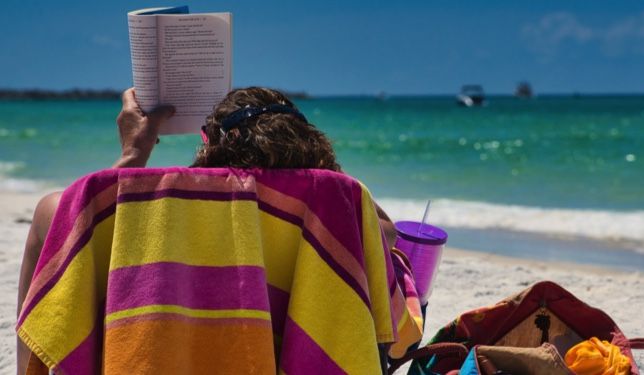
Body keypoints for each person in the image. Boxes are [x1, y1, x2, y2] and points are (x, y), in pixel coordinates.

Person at [17, 87, 405, 374]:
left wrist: (134, 154)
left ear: (209, 143)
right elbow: (386, 235)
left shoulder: (137, 203)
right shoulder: (339, 205)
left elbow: (68, 219)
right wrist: (325, 184)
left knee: (52, 222)